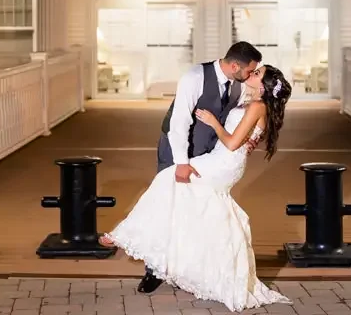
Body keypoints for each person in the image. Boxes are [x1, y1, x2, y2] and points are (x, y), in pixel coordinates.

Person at [101, 62, 293, 312]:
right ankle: (181, 262)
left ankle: (124, 236)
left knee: (168, 180)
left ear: (265, 86)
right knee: (191, 205)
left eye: (257, 74)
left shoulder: (258, 106)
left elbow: (234, 143)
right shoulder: (252, 102)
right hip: (221, 160)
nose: (251, 74)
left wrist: (213, 122)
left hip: (224, 162)